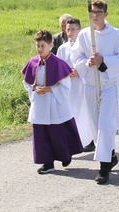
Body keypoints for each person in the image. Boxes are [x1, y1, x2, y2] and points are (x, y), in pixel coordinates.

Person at [70, 0, 119, 185]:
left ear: (106, 14)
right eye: (92, 12)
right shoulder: (84, 35)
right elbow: (75, 56)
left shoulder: (117, 35)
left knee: (105, 125)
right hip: (90, 84)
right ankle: (109, 154)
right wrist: (86, 63)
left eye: (98, 11)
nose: (94, 15)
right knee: (96, 125)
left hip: (109, 84)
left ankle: (104, 167)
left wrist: (104, 61)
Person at [22, 30, 84, 174]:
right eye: (37, 46)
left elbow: (66, 85)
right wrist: (34, 87)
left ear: (50, 45)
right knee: (41, 135)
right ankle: (47, 163)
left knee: (58, 134)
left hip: (55, 104)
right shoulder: (32, 62)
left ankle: (65, 155)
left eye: (42, 46)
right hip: (39, 105)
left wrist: (50, 89)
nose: (39, 49)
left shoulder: (58, 63)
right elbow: (26, 82)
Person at [55, 18, 89, 148]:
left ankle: (89, 140)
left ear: (79, 30)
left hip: (82, 83)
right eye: (68, 29)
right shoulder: (63, 48)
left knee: (84, 112)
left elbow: (89, 63)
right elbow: (58, 66)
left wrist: (79, 71)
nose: (70, 32)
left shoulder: (85, 46)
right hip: (68, 85)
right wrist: (66, 73)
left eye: (73, 29)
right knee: (71, 112)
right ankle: (73, 140)